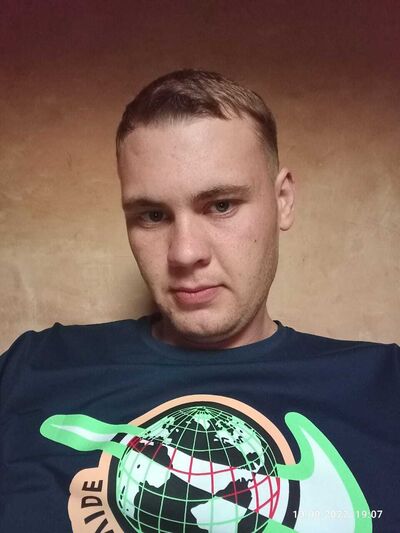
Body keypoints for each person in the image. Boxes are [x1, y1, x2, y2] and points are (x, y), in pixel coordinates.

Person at [0, 69, 398, 533]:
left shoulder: (384, 386)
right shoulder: (33, 367)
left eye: (221, 205)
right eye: (153, 215)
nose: (185, 253)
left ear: (283, 200)